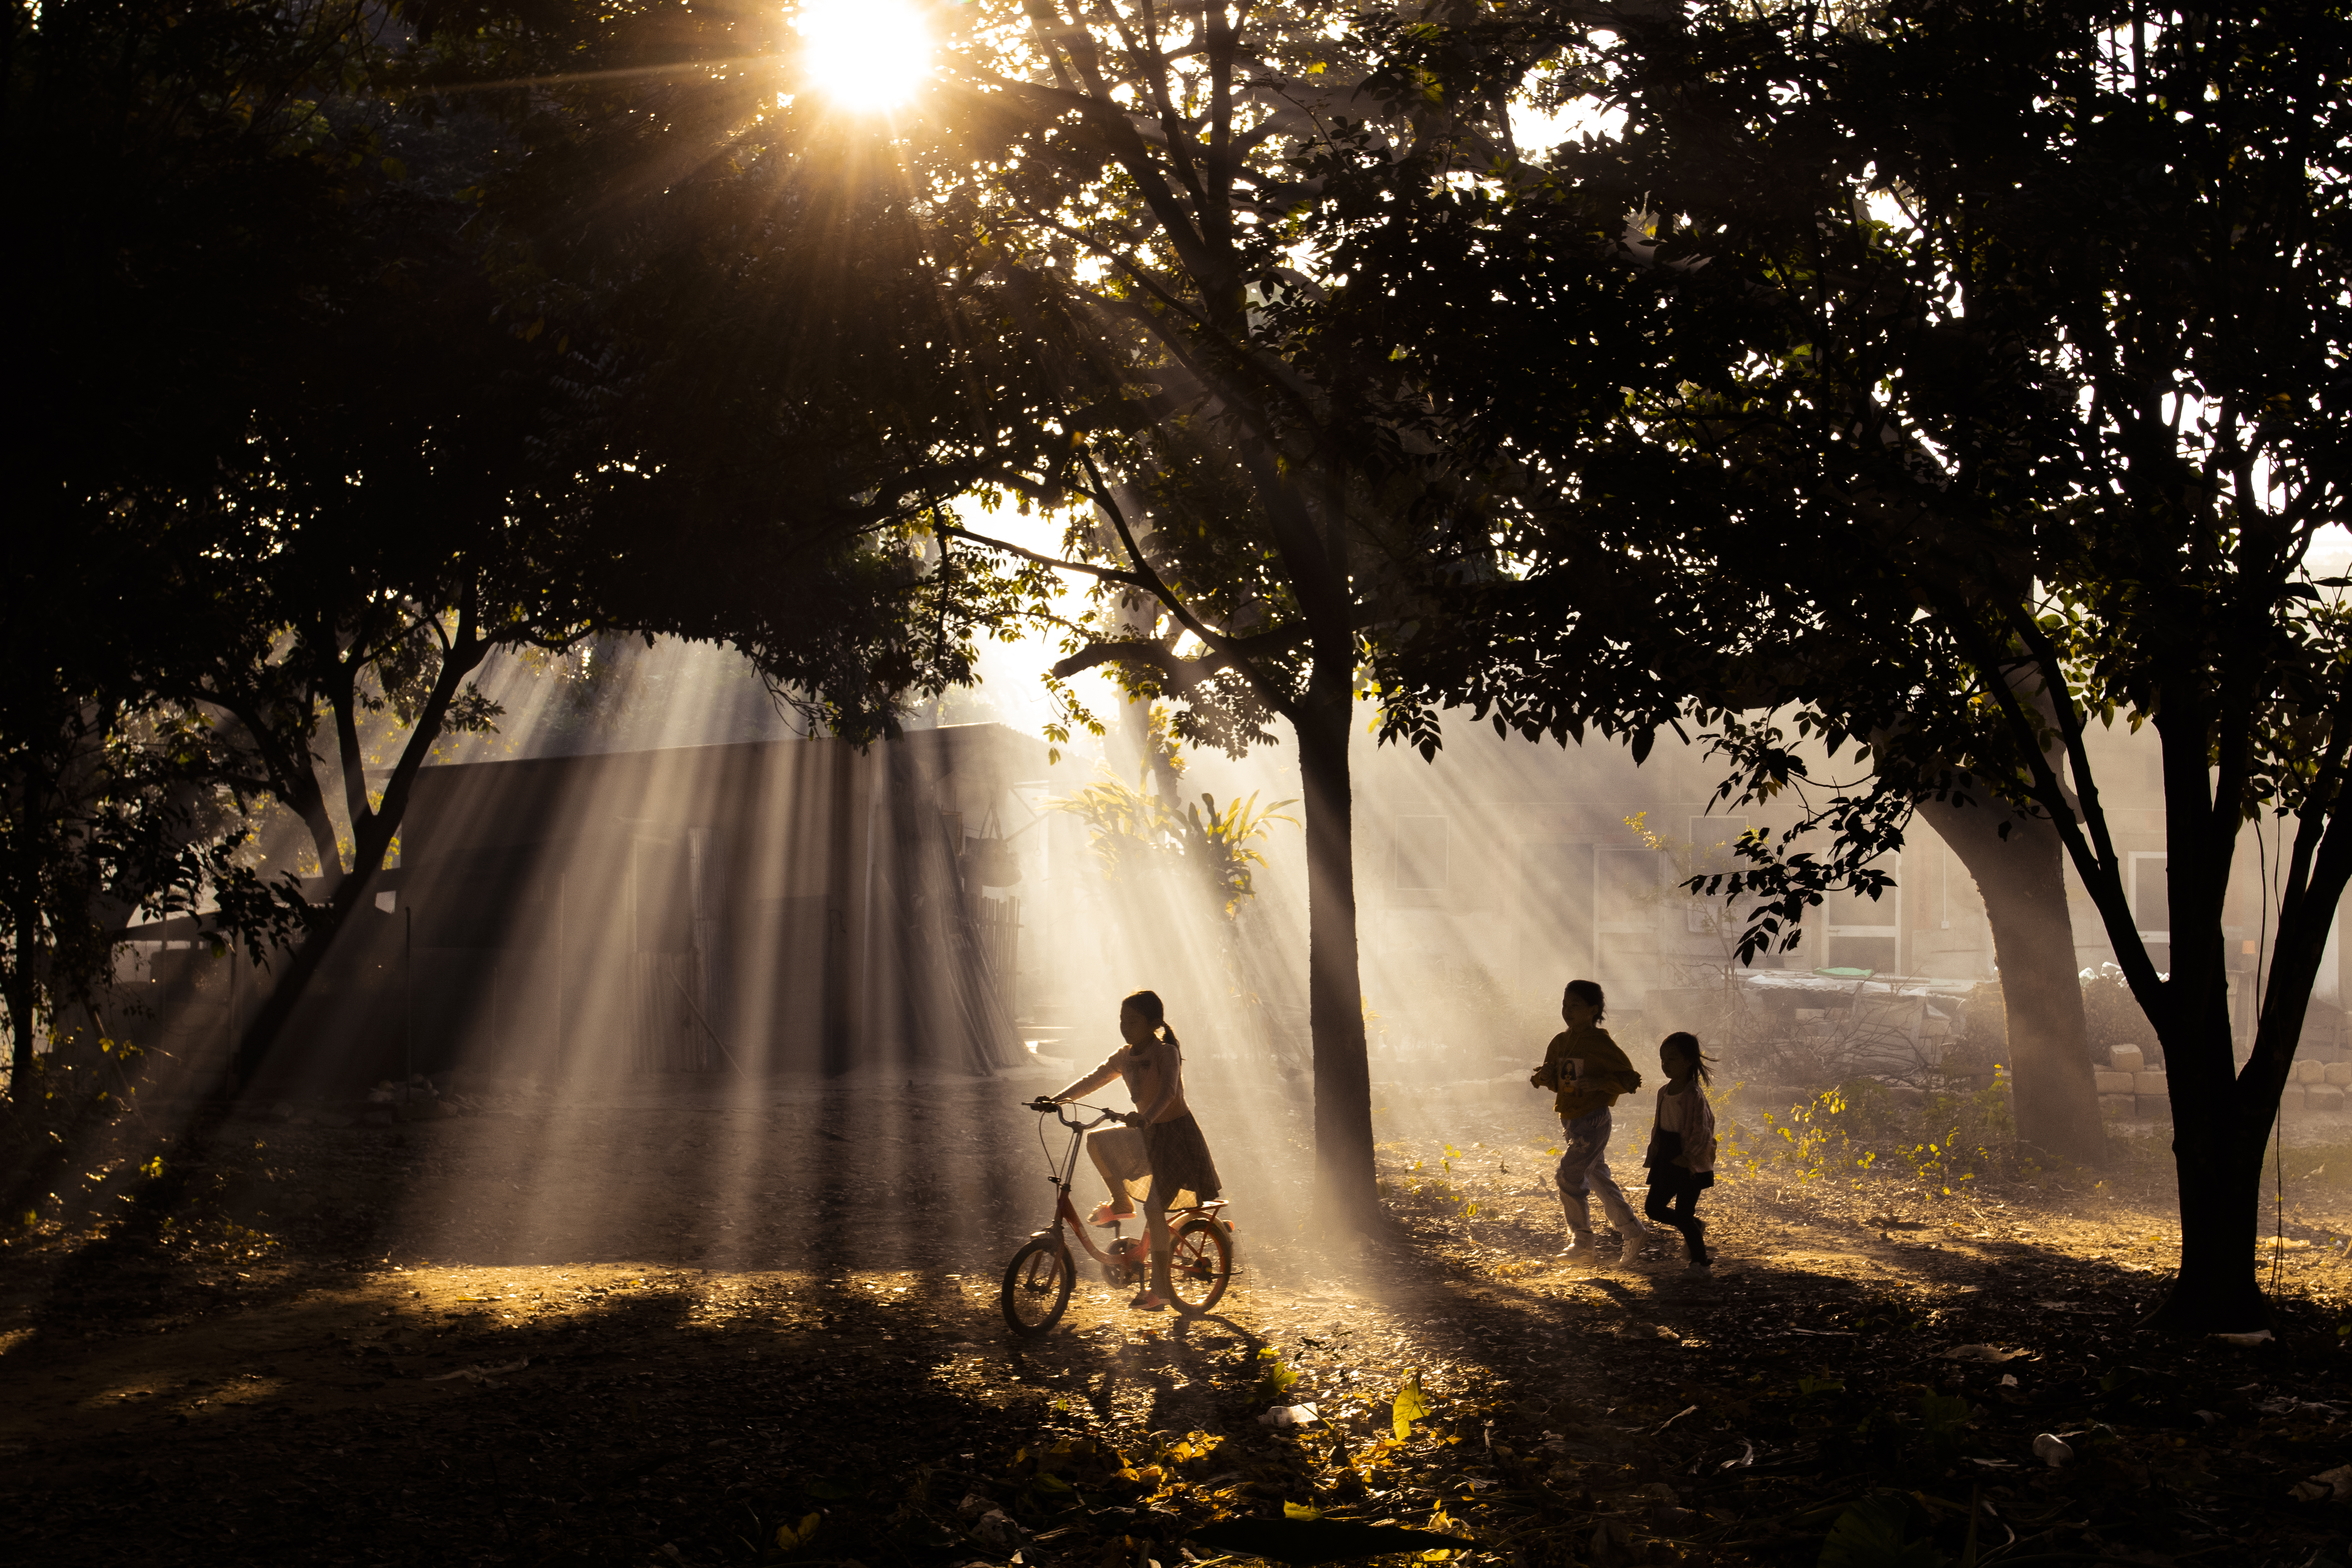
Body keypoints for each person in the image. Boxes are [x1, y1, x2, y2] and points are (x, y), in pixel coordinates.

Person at [1051, 989, 1223, 1310]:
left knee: (1155, 1209)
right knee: (1096, 1140)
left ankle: (1161, 1289)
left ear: (1154, 1023)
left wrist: (1145, 1119)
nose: (1125, 1027)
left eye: (1133, 1021)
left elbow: (1169, 1093)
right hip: (1146, 1131)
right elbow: (1095, 1078)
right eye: (1122, 1020)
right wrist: (1056, 1099)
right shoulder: (1124, 1056)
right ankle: (1120, 1201)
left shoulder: (1166, 1052)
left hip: (1175, 1138)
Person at [1531, 979, 1659, 1265]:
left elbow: (1629, 1079)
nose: (1568, 1011)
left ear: (1593, 1010)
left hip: (1594, 1120)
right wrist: (1544, 1078)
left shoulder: (1601, 1043)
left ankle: (1582, 1243)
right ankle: (1633, 1231)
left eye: (1575, 1005)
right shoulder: (1560, 1042)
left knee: (1569, 1174)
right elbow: (1557, 1080)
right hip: (1571, 1121)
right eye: (1565, 1005)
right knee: (1598, 1176)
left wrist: (1600, 1083)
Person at [1643, 1032, 1719, 1274]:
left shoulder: (1693, 1095)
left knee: (1684, 1213)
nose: (1666, 1064)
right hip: (1667, 1156)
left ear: (1689, 1061)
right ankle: (1695, 1227)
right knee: (1653, 1208)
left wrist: (1689, 1157)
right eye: (1663, 1059)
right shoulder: (1663, 1091)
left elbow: (1703, 1130)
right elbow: (1659, 1125)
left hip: (1689, 1161)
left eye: (1672, 1059)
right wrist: (1654, 1152)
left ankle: (1700, 1262)